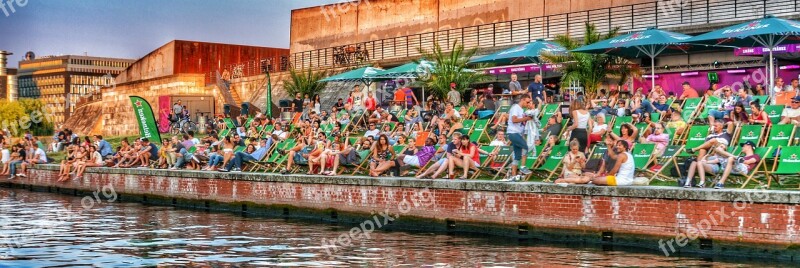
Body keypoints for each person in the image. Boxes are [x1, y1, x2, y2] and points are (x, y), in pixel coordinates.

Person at [501, 95, 535, 181]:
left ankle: (513, 176)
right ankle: (523, 167)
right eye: (527, 102)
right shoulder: (516, 107)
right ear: (522, 100)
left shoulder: (521, 109)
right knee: (525, 147)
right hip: (513, 132)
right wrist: (526, 118)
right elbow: (514, 120)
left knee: (517, 156)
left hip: (517, 133)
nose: (528, 104)